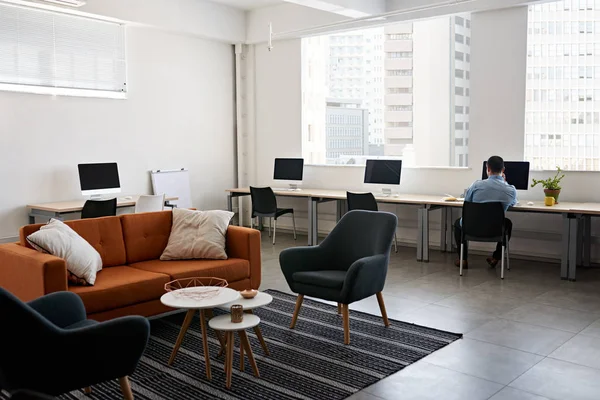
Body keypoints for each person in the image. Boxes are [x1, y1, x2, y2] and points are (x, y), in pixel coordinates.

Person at [454, 155, 517, 269]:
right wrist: (505, 183)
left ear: (487, 169)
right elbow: (512, 203)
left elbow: (467, 202)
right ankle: (496, 257)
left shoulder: (476, 185)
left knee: (458, 224)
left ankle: (463, 259)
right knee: (507, 223)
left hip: (471, 227)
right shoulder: (511, 189)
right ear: (503, 170)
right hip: (495, 229)